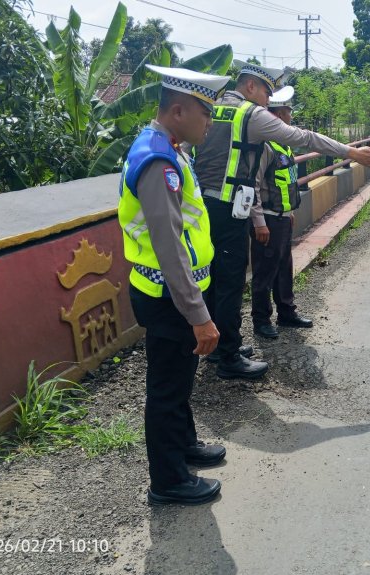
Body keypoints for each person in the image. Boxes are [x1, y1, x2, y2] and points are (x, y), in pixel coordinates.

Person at [193, 61, 370, 380]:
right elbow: (303, 138)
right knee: (229, 282)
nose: (269, 100)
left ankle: (221, 345)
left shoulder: (213, 108)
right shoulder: (250, 115)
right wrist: (351, 154)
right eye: (267, 91)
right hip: (230, 209)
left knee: (214, 280)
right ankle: (227, 356)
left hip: (205, 205)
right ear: (251, 86)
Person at [118, 65, 229, 506]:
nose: (210, 121)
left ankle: (183, 446)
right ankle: (168, 481)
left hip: (174, 295)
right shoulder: (157, 160)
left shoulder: (170, 148)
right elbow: (169, 248)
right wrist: (200, 317)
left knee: (180, 379)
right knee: (166, 389)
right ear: (179, 110)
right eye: (206, 112)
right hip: (169, 297)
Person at [248, 86, 309, 339]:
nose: (291, 118)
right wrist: (260, 222)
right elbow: (252, 185)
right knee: (264, 271)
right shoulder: (264, 147)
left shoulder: (283, 145)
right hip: (268, 220)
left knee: (284, 266)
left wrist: (288, 211)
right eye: (288, 113)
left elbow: (285, 182)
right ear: (278, 115)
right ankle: (261, 320)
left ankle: (286, 312)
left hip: (282, 217)